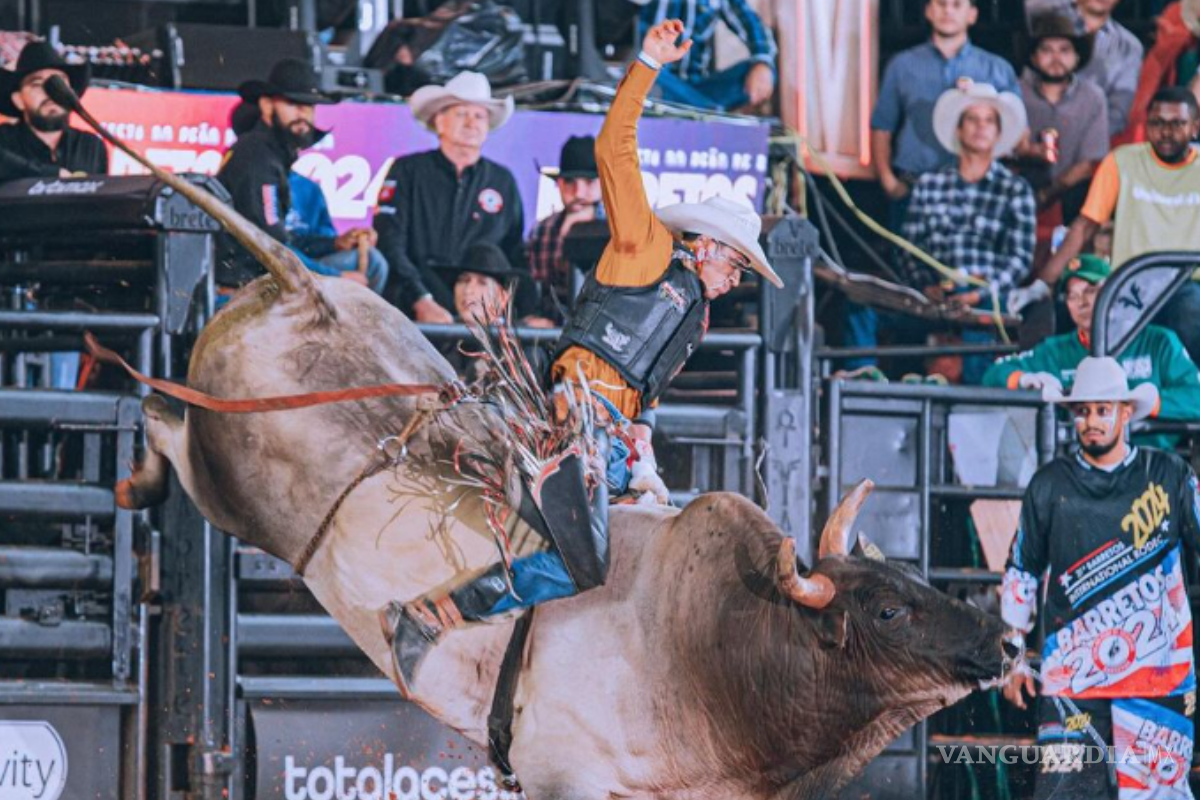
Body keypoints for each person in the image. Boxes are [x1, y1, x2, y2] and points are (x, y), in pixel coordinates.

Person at [381, 19, 783, 692]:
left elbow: (643, 390)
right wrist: (648, 63)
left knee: (636, 557)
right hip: (576, 415)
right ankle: (441, 611)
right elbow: (615, 149)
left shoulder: (691, 306)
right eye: (739, 263)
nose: (737, 277)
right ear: (710, 245)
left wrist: (641, 453)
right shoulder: (647, 249)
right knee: (585, 561)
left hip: (610, 432)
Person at [1001, 356, 1200, 800]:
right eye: (1083, 411)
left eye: (1102, 410)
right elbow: (1022, 569)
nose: (1091, 421)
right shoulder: (1049, 484)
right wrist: (1013, 660)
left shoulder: (1170, 475)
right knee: (1063, 791)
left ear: (1125, 413)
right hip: (1073, 672)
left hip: (1159, 670)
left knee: (1159, 792)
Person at [849, 81, 1035, 384]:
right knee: (861, 303)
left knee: (982, 318)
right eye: (972, 120)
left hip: (986, 298)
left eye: (989, 121)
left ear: (998, 133)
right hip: (931, 297)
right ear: (959, 130)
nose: (980, 127)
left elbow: (1019, 258)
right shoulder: (929, 184)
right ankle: (862, 387)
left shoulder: (1015, 189)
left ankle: (974, 405)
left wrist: (980, 292)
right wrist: (926, 287)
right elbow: (907, 248)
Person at [1015, 88, 1200, 361]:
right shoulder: (1123, 161)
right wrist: (1041, 284)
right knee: (1085, 318)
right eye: (1157, 123)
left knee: (1190, 312)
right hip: (1129, 282)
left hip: (1188, 283)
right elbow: (1084, 226)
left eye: (1177, 123)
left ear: (1195, 128)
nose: (1166, 132)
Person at [983, 255, 1200, 450]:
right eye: (1072, 296)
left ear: (1115, 291)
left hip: (1152, 467)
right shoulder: (1055, 350)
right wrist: (1024, 379)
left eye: (1091, 290)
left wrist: (1151, 403)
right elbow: (993, 374)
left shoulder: (1158, 341)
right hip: (1077, 473)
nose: (1082, 303)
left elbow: (1195, 396)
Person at [217, 59, 387, 292]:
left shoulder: (269, 155)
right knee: (371, 265)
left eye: (309, 107)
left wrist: (333, 244)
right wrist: (335, 276)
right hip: (246, 287)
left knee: (364, 261)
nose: (303, 114)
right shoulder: (257, 156)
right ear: (267, 106)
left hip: (263, 278)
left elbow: (283, 241)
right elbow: (270, 247)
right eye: (293, 104)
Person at [374, 71, 524, 324]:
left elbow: (514, 252)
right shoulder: (407, 171)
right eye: (462, 113)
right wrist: (420, 297)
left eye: (480, 116)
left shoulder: (502, 180)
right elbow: (389, 242)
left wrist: (518, 311)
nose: (471, 123)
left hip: (481, 317)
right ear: (439, 121)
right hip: (410, 312)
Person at [871, 0, 1021, 226]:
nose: (948, 10)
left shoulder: (997, 69)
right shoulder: (902, 65)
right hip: (914, 186)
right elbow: (883, 126)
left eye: (957, 4)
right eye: (941, 4)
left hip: (978, 190)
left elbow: (1017, 130)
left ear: (972, 14)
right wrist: (888, 181)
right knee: (909, 259)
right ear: (929, 11)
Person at [1012, 14, 1109, 222]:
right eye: (1046, 50)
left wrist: (1047, 194)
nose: (1056, 58)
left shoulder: (1092, 97)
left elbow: (1089, 163)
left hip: (1073, 199)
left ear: (1077, 56)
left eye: (1064, 50)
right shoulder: (1015, 92)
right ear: (1033, 56)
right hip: (1018, 194)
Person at [1025, 0, 1145, 138]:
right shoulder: (1046, 15)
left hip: (1088, 143)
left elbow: (1118, 113)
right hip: (1031, 131)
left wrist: (1085, 143)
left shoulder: (1129, 47)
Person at [635, 0, 777, 112]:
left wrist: (762, 64)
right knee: (643, 72)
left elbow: (751, 24)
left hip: (700, 86)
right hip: (656, 82)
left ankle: (694, 111)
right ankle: (709, 115)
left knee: (762, 70)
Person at [0, 40, 106, 181]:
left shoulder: (90, 146)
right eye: (37, 84)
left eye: (59, 83)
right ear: (18, 100)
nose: (50, 93)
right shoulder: (4, 140)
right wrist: (51, 175)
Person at [526, 134, 602, 323]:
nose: (579, 192)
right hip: (553, 334)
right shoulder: (542, 230)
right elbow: (535, 291)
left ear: (603, 184)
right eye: (570, 182)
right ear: (559, 184)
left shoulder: (620, 229)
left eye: (589, 181)